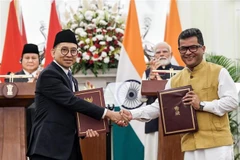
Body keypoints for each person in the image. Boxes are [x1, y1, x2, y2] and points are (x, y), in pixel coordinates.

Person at [121, 28, 239, 160]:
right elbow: (159, 106)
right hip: (190, 145)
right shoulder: (175, 80)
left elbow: (232, 101)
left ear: (203, 48)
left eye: (193, 48)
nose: (188, 52)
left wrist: (201, 105)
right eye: (183, 49)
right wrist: (132, 114)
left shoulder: (218, 72)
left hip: (217, 145)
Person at [27, 29, 124, 160]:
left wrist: (86, 128)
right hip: (48, 149)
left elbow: (73, 111)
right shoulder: (49, 74)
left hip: (69, 148)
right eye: (64, 50)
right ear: (53, 52)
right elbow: (72, 101)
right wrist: (109, 114)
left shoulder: (72, 79)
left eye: (73, 51)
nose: (69, 54)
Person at [142, 42, 183, 160]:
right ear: (154, 55)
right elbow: (141, 97)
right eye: (158, 52)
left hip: (176, 116)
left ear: (171, 54)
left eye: (164, 51)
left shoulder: (181, 70)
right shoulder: (147, 72)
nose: (162, 54)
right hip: (154, 119)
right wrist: (151, 78)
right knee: (153, 153)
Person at [5, 43, 41, 148]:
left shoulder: (46, 77)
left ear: (39, 60)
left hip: (40, 124)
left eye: (34, 58)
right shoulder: (11, 78)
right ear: (21, 60)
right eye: (27, 58)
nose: (30, 61)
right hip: (18, 123)